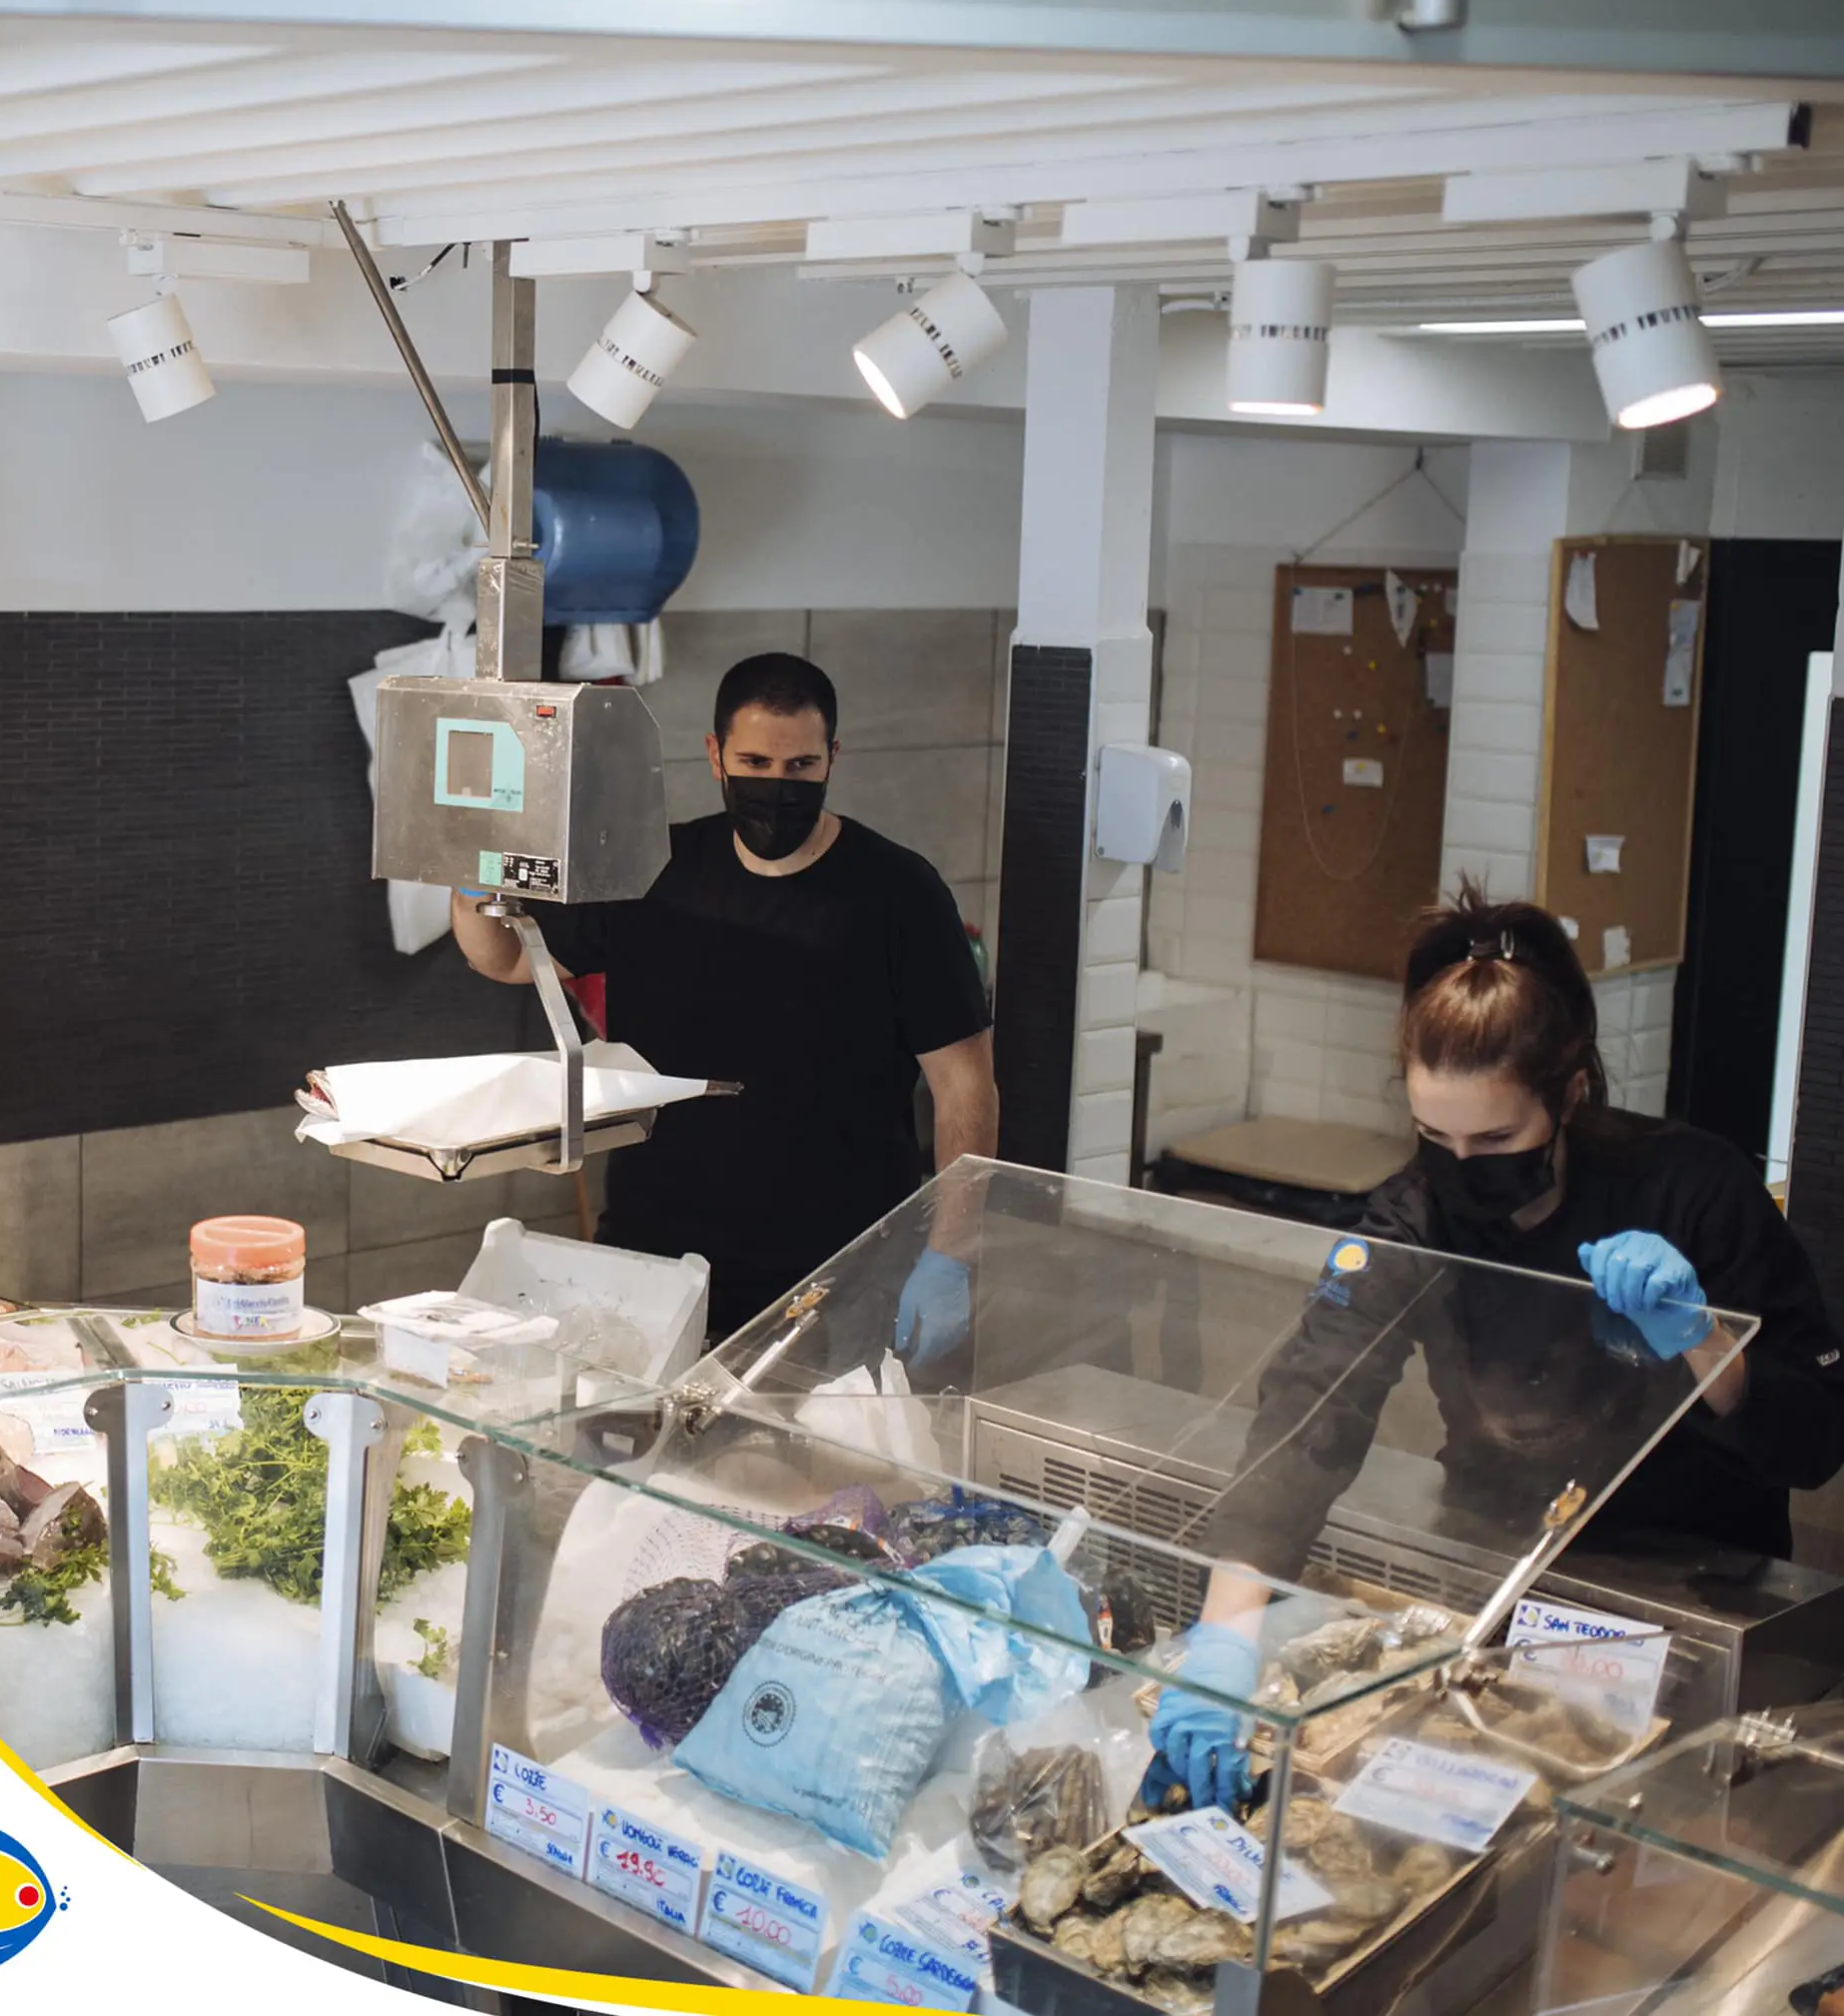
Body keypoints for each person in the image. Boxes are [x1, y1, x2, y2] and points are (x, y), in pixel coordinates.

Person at [1147, 882, 1844, 1810]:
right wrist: (1225, 1637)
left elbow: (1814, 1442)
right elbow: (1312, 1409)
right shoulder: (1412, 1215)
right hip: (1501, 1566)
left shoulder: (1695, 1189)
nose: (1463, 1165)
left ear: (1571, 1093)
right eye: (1434, 1135)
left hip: (1697, 1591)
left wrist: (1701, 1339)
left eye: (1498, 1135)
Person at [452, 651, 998, 1352]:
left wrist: (952, 1252)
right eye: (756, 764)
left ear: (832, 758)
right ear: (715, 755)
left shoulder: (900, 895)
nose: (778, 786)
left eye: (800, 766)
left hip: (839, 1270)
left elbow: (964, 1085)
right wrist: (470, 884)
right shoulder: (651, 869)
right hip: (657, 1256)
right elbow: (505, 960)